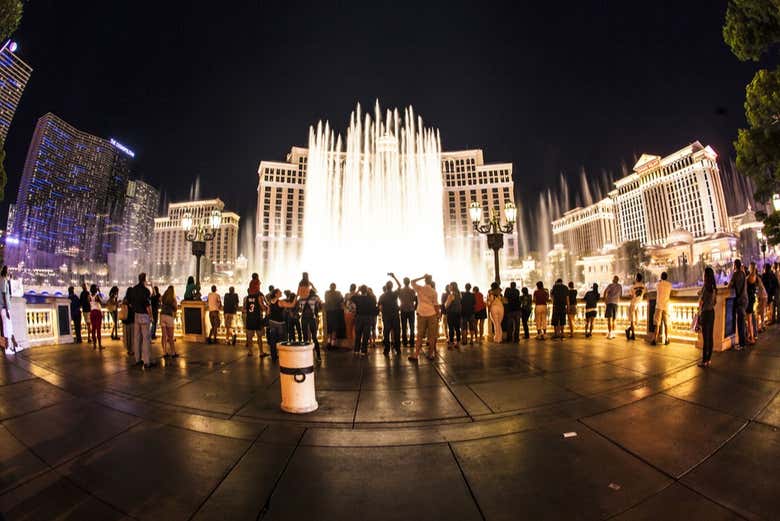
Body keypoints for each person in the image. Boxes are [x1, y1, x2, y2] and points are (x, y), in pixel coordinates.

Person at [409, 274, 439, 361]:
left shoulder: (420, 289)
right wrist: (438, 315)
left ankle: (416, 355)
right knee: (432, 336)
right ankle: (431, 354)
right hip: (432, 314)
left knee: (420, 335)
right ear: (431, 281)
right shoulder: (434, 292)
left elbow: (412, 281)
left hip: (421, 314)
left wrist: (422, 276)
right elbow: (436, 305)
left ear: (425, 280)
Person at [131, 273, 154, 368]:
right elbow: (148, 305)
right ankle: (146, 361)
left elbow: (131, 302)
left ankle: (137, 359)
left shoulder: (134, 289)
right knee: (146, 339)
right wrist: (151, 316)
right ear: (144, 279)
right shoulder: (145, 291)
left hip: (136, 315)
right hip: (144, 315)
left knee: (136, 338)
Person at [267, 289, 297, 361]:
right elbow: (292, 305)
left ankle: (273, 356)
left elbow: (268, 313)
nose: (281, 292)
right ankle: (282, 355)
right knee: (282, 340)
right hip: (280, 324)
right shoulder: (280, 302)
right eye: (279, 292)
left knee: (273, 341)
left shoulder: (270, 302)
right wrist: (296, 296)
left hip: (272, 322)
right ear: (276, 294)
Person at [697, 267, 717, 368]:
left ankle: (704, 361)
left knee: (705, 338)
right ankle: (709, 359)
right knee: (710, 337)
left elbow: (701, 302)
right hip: (712, 313)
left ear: (706, 276)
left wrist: (698, 313)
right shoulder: (713, 287)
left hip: (705, 313)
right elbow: (714, 302)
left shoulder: (706, 287)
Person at [351, 285, 376, 356]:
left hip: (359, 317)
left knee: (358, 334)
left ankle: (356, 350)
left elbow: (351, 297)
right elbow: (374, 300)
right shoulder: (371, 298)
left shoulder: (358, 298)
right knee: (366, 335)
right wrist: (369, 291)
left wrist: (358, 290)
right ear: (367, 290)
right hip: (368, 318)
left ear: (361, 291)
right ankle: (363, 351)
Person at [379, 275, 402, 356]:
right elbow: (400, 285)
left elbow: (380, 308)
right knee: (396, 333)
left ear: (386, 287)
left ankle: (386, 350)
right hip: (395, 316)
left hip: (386, 317)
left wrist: (383, 314)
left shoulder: (382, 296)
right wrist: (394, 277)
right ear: (392, 287)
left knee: (386, 333)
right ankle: (398, 349)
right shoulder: (394, 294)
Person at [728, 260, 748, 349]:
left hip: (739, 301)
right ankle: (744, 341)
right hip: (744, 299)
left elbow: (730, 286)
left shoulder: (736, 274)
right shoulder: (743, 274)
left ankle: (742, 344)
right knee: (742, 322)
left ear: (735, 265)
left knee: (740, 323)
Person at [300, 287, 323, 361]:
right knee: (314, 338)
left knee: (305, 337)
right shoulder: (314, 298)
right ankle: (318, 356)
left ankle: (306, 355)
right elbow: (320, 302)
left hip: (304, 318)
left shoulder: (301, 298)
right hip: (312, 318)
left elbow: (299, 308)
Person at [245, 289, 269, 357]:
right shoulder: (258, 297)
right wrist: (267, 308)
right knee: (259, 337)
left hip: (249, 318)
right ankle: (261, 352)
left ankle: (250, 351)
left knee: (249, 337)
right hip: (257, 318)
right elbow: (262, 306)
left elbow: (245, 308)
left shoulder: (247, 298)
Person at [653, 272, 673, 346]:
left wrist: (660, 281)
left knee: (657, 324)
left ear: (661, 277)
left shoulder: (658, 284)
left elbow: (656, 286)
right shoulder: (669, 285)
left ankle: (655, 339)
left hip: (658, 306)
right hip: (666, 306)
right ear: (667, 277)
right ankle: (667, 339)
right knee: (666, 323)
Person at [324, 283, 345, 349]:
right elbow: (342, 300)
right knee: (334, 330)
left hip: (328, 313)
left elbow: (326, 300)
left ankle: (328, 343)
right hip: (336, 313)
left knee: (329, 329)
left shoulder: (326, 293)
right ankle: (333, 344)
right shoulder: (338, 293)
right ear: (335, 287)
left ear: (330, 287)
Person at [160, 285, 178, 358]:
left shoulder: (163, 297)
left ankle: (164, 352)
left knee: (164, 336)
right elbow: (175, 308)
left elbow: (160, 301)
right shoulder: (173, 299)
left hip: (162, 316)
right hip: (169, 317)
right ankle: (173, 352)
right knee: (170, 336)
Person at [398, 277, 417, 348]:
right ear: (409, 282)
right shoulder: (412, 290)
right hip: (411, 310)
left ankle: (405, 342)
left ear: (404, 282)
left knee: (403, 327)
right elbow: (415, 299)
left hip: (403, 309)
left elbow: (399, 298)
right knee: (412, 327)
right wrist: (414, 307)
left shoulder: (401, 291)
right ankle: (412, 342)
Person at [626, 273, 646, 341]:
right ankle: (631, 331)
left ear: (636, 278)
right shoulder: (644, 286)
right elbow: (646, 294)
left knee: (632, 320)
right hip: (639, 304)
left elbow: (630, 295)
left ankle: (632, 333)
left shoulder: (632, 287)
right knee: (637, 320)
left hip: (633, 304)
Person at [445, 281, 462, 348]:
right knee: (457, 328)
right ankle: (458, 342)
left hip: (451, 313)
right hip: (458, 313)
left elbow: (446, 305)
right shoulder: (459, 294)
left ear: (453, 287)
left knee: (451, 328)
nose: (449, 287)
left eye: (450, 286)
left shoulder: (451, 295)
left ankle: (451, 343)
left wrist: (445, 304)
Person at [88, 284, 104, 350]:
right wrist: (99, 292)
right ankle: (99, 345)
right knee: (98, 329)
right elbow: (101, 302)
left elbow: (89, 304)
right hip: (97, 312)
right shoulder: (97, 296)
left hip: (92, 312)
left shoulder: (89, 296)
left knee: (93, 329)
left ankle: (94, 345)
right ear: (96, 289)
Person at [746, 262, 758, 344]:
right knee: (751, 317)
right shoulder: (754, 276)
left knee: (749, 319)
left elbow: (745, 281)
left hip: (749, 299)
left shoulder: (750, 276)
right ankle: (753, 335)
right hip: (752, 298)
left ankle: (752, 338)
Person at [121, 286, 135, 356]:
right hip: (132, 320)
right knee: (132, 336)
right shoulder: (133, 300)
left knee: (127, 336)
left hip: (125, 321)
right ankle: (132, 350)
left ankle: (129, 349)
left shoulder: (125, 300)